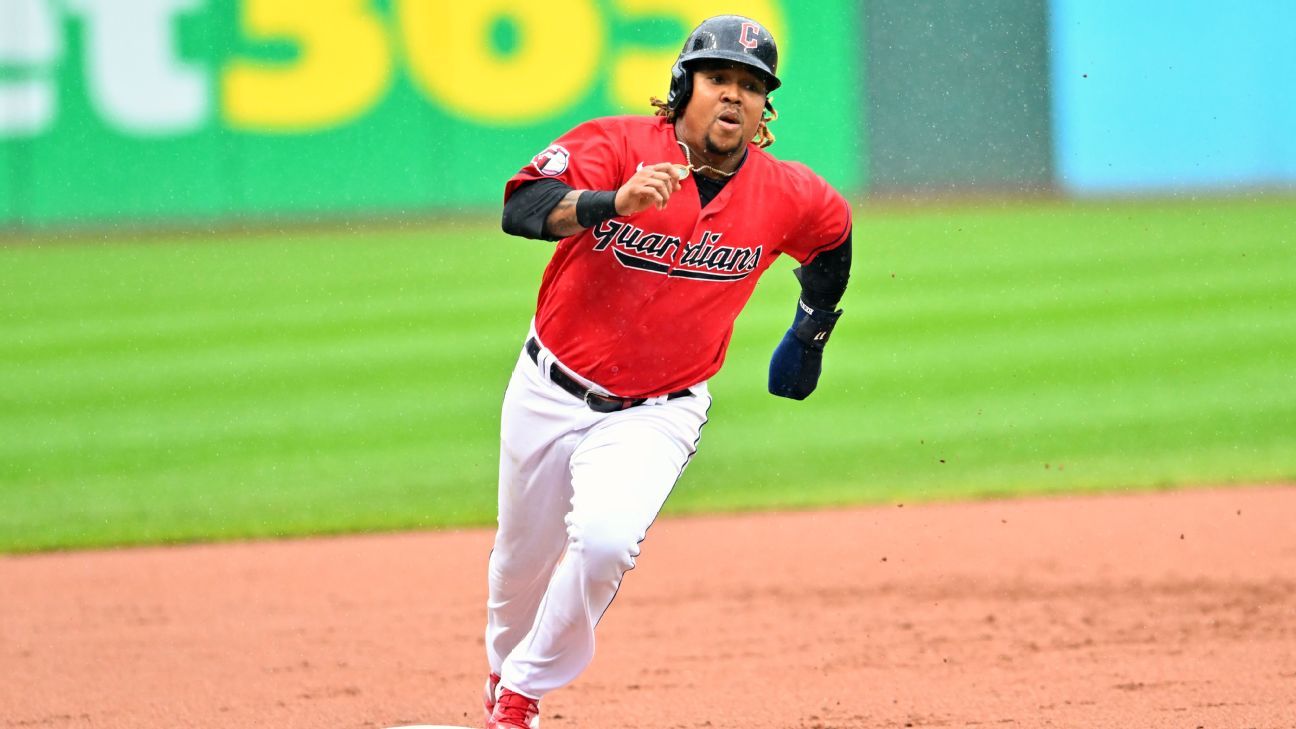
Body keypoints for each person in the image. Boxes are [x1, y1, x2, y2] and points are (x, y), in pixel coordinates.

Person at [483, 14, 852, 729]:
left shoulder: (787, 192)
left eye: (751, 86)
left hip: (660, 408)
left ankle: (521, 696)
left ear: (764, 106)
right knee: (518, 566)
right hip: (548, 385)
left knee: (605, 542)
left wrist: (811, 330)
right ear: (684, 85)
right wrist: (608, 203)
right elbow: (522, 207)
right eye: (719, 78)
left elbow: (832, 241)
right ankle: (503, 666)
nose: (733, 96)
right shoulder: (616, 144)